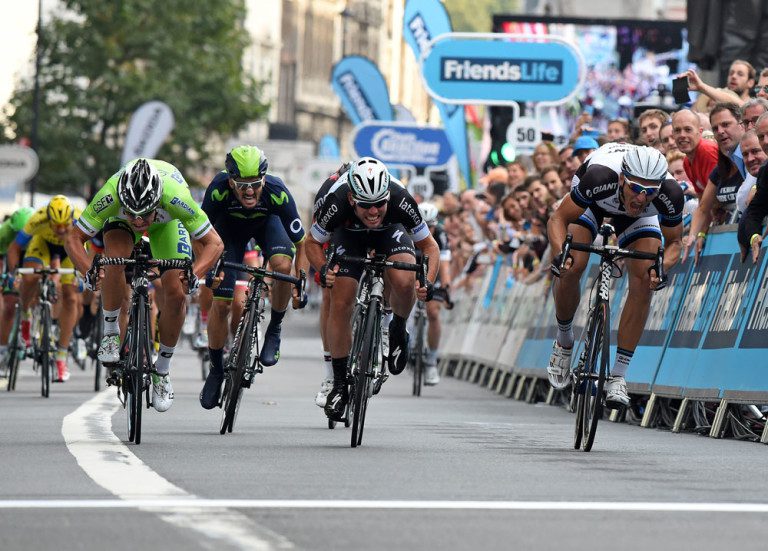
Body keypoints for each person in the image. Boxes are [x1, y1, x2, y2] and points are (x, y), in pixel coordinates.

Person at [65, 158, 223, 412]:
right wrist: (88, 271)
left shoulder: (176, 197)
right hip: (119, 224)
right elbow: (73, 238)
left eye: (145, 214)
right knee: (113, 260)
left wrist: (194, 274)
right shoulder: (110, 194)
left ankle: (162, 371)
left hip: (167, 224)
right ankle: (110, 333)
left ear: (158, 201)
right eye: (132, 213)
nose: (138, 221)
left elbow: (215, 243)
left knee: (176, 293)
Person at [546, 144, 684, 408]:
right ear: (622, 179)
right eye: (636, 188)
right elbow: (557, 219)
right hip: (593, 204)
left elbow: (675, 242)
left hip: (641, 220)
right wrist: (560, 254)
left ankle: (619, 375)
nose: (641, 197)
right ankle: (564, 341)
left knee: (644, 280)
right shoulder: (600, 177)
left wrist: (661, 268)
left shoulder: (670, 193)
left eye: (650, 192)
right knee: (572, 266)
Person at [305, 157, 440, 420]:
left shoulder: (401, 199)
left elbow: (430, 247)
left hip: (391, 231)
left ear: (387, 196)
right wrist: (322, 269)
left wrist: (428, 281)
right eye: (366, 205)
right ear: (352, 199)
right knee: (340, 300)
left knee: (404, 281)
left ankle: (398, 327)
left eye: (380, 203)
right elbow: (311, 243)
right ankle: (340, 384)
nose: (374, 211)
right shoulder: (337, 201)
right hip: (348, 235)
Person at [197, 145, 308, 410]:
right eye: (242, 185)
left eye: (256, 185)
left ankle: (275, 328)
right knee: (221, 304)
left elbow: (301, 243)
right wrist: (209, 269)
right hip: (229, 233)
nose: (249, 192)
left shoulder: (277, 191)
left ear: (264, 180)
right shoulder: (217, 190)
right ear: (230, 181)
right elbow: (199, 235)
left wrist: (301, 281)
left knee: (282, 266)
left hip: (268, 226)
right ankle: (216, 370)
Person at [7, 196, 81, 382]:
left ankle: (61, 356)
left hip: (70, 248)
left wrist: (86, 273)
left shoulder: (80, 219)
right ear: (49, 219)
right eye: (56, 225)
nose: (61, 229)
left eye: (65, 225)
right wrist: (14, 274)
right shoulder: (38, 219)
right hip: (42, 245)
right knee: (30, 277)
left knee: (71, 297)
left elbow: (91, 247)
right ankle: (26, 314)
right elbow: (15, 248)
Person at [684, 103, 746, 264]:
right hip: (730, 246)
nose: (720, 131)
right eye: (715, 128)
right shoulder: (720, 169)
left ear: (741, 124)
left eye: (726, 124)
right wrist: (695, 235)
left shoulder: (753, 160)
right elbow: (703, 208)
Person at [415, 201, 452, 386]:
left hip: (432, 270)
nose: (427, 230)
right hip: (412, 267)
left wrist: (445, 286)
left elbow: (444, 264)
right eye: (424, 225)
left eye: (431, 226)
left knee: (433, 313)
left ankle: (431, 361)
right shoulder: (408, 229)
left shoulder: (441, 235)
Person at [0, 207, 34, 364]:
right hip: (10, 256)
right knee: (9, 304)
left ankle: (32, 313)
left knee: (34, 283)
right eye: (16, 233)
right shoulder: (4, 233)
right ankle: (3, 347)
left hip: (31, 255)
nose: (19, 237)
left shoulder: (38, 232)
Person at [672, 109, 719, 196]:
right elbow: (701, 195)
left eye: (688, 129)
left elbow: (716, 195)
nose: (682, 135)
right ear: (673, 134)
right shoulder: (687, 161)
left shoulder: (707, 150)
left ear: (700, 132)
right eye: (677, 130)